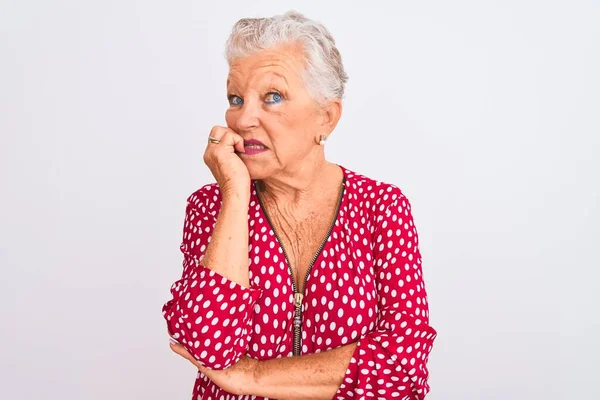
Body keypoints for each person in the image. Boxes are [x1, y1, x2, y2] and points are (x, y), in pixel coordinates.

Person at [162, 10, 437, 400]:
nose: (243, 119)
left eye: (272, 97)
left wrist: (253, 376)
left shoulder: (382, 208)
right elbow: (208, 345)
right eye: (236, 99)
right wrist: (236, 193)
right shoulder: (212, 206)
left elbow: (403, 364)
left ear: (326, 117)